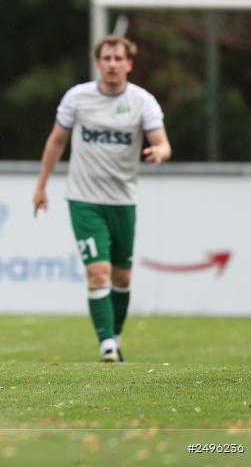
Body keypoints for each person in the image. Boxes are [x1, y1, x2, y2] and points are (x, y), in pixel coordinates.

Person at [33, 35, 171, 362]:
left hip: (123, 200)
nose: (112, 64)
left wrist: (158, 153)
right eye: (106, 58)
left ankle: (115, 335)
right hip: (84, 200)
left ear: (128, 64)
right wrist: (41, 186)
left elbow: (163, 143)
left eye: (118, 58)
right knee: (98, 272)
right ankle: (107, 345)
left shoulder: (143, 101)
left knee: (123, 276)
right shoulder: (77, 98)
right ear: (99, 62)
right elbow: (56, 141)